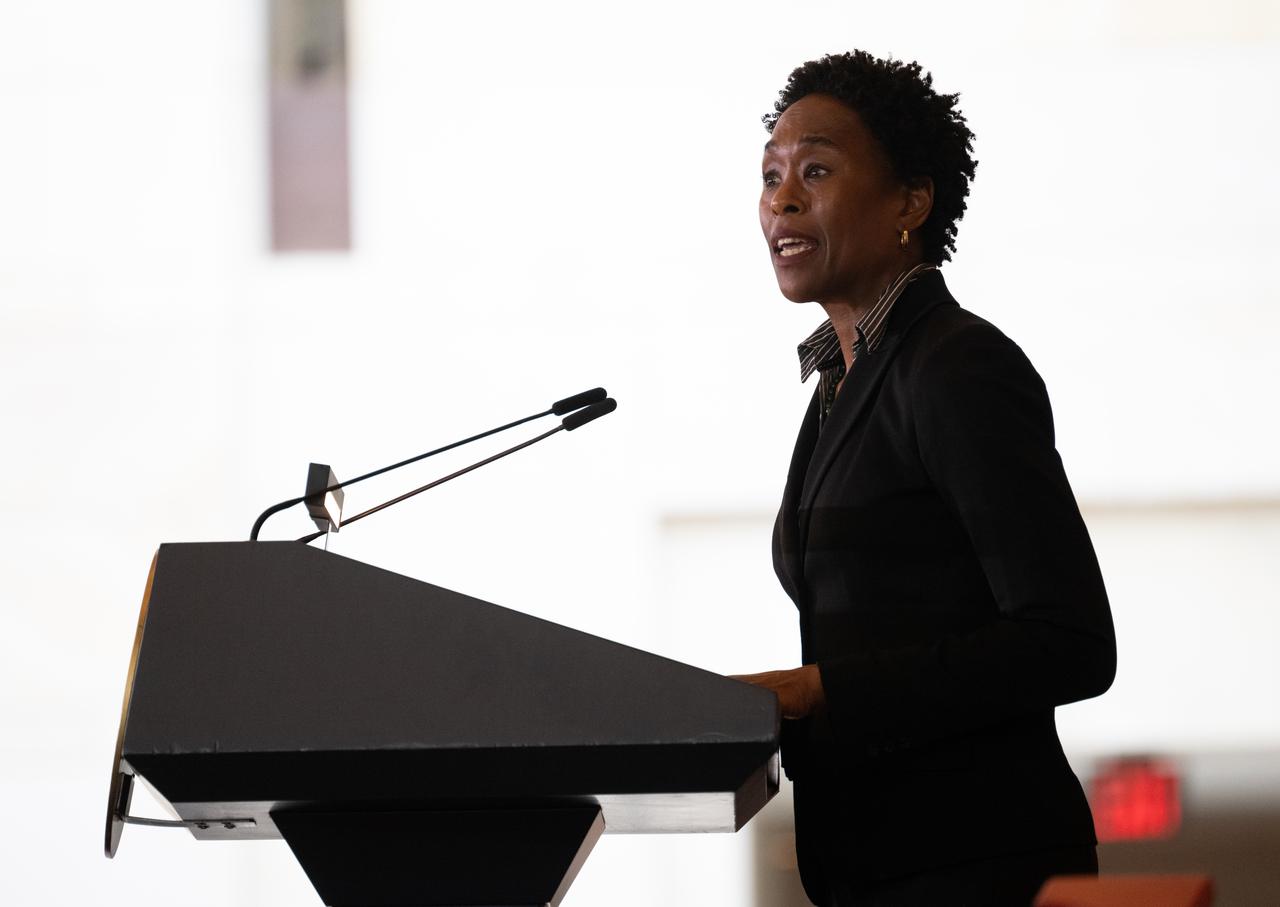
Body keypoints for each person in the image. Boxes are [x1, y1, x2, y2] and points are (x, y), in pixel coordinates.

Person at [731, 51, 1117, 906]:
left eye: (816, 170)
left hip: (977, 865)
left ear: (910, 201)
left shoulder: (956, 366)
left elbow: (1071, 641)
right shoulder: (840, 383)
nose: (781, 200)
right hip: (871, 869)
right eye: (770, 176)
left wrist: (819, 690)